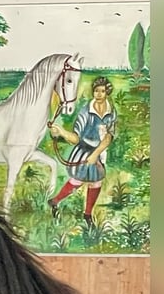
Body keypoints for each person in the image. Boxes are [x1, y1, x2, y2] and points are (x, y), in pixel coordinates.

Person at [47, 76, 117, 227]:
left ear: (107, 93)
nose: (99, 94)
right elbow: (76, 138)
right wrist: (62, 133)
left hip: (97, 152)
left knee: (96, 181)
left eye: (102, 91)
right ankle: (55, 201)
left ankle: (87, 215)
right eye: (96, 91)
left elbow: (108, 137)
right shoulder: (86, 111)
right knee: (78, 180)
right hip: (84, 150)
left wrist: (96, 154)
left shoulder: (111, 112)